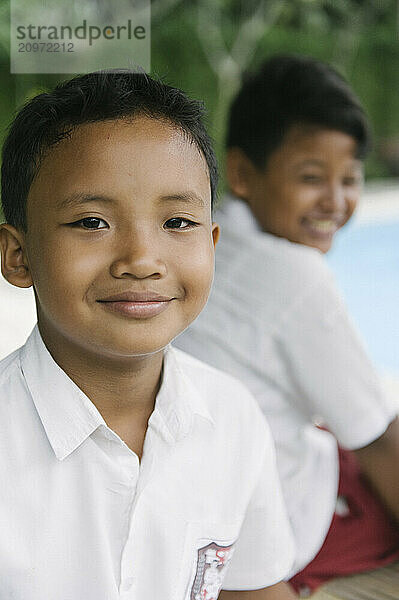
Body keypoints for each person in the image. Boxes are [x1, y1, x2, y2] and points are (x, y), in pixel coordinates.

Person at [0, 70, 296, 599]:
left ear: (212, 243)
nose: (141, 259)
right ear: (19, 255)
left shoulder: (231, 416)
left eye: (178, 222)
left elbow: (255, 590)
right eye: (92, 222)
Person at [177, 54, 399, 599]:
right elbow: (374, 437)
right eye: (310, 178)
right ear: (243, 173)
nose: (335, 201)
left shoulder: (210, 236)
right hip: (270, 525)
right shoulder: (294, 275)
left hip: (197, 495)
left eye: (349, 179)